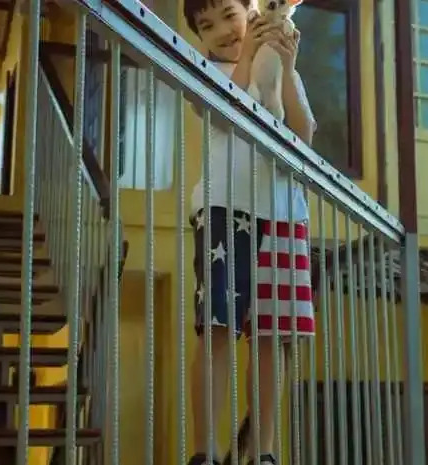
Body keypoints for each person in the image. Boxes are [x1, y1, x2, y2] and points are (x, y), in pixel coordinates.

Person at [182, 0, 317, 464]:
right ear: (199, 37)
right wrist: (246, 62)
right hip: (225, 207)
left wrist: (288, 67)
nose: (221, 30)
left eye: (228, 14)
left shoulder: (279, 64)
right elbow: (222, 114)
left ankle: (264, 452)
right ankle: (205, 452)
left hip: (282, 211)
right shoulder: (204, 69)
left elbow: (304, 134)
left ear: (251, 11)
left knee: (271, 337)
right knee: (217, 328)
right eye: (207, 25)